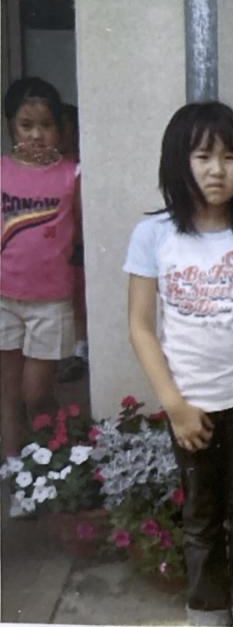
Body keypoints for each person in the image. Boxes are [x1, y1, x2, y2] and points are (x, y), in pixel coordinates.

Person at [125, 101, 233, 626]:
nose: (217, 169)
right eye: (203, 156)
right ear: (179, 162)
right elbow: (140, 326)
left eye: (230, 157)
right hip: (190, 404)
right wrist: (173, 404)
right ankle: (207, 613)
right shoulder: (153, 236)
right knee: (199, 517)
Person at [0, 77, 80, 458]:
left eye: (45, 125)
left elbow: (82, 231)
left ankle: (51, 460)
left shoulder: (72, 175)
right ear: (11, 126)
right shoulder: (1, 171)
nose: (36, 135)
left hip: (50, 301)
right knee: (9, 393)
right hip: (4, 297)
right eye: (25, 125)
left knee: (37, 392)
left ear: (60, 129)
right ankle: (15, 469)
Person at [57, 103, 89, 383]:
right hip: (56, 247)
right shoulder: (51, 168)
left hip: (79, 242)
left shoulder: (80, 166)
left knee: (80, 300)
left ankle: (79, 352)